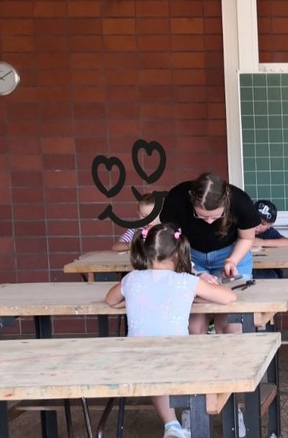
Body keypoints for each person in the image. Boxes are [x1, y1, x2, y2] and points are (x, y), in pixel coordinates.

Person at [104, 224, 236, 438]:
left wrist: (128, 300)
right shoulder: (187, 281)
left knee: (155, 371)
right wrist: (197, 289)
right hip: (177, 356)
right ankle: (208, 418)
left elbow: (110, 300)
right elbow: (229, 297)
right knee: (208, 353)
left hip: (135, 358)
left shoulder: (132, 278)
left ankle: (172, 425)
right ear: (177, 253)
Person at [158, 172, 263, 334]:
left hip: (231, 253)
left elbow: (247, 238)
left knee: (232, 325)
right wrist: (193, 271)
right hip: (190, 254)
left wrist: (232, 261)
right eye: (201, 216)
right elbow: (170, 242)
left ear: (226, 202)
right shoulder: (177, 198)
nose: (209, 222)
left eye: (216, 217)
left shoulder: (240, 201)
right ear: (191, 200)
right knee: (194, 326)